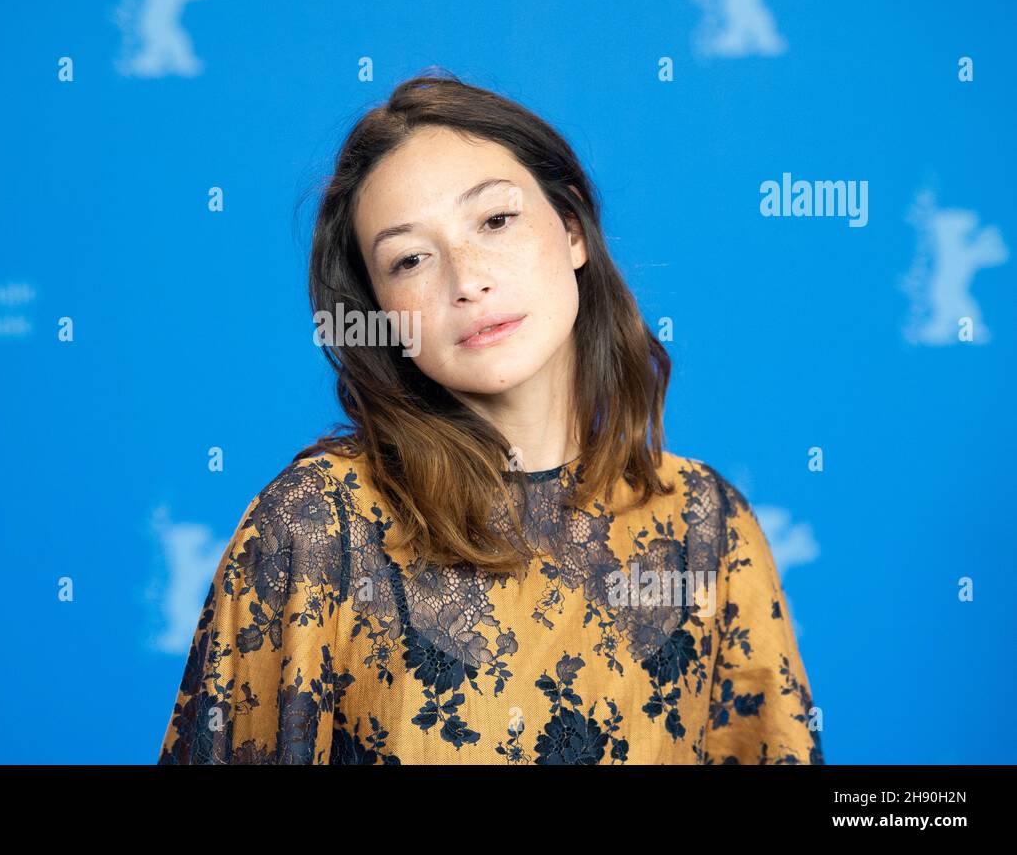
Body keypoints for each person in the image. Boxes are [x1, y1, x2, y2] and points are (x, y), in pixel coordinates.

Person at [157, 71, 824, 765]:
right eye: (411, 258)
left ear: (571, 229)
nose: (466, 279)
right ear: (380, 311)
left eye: (496, 220)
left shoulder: (706, 525)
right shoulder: (317, 528)